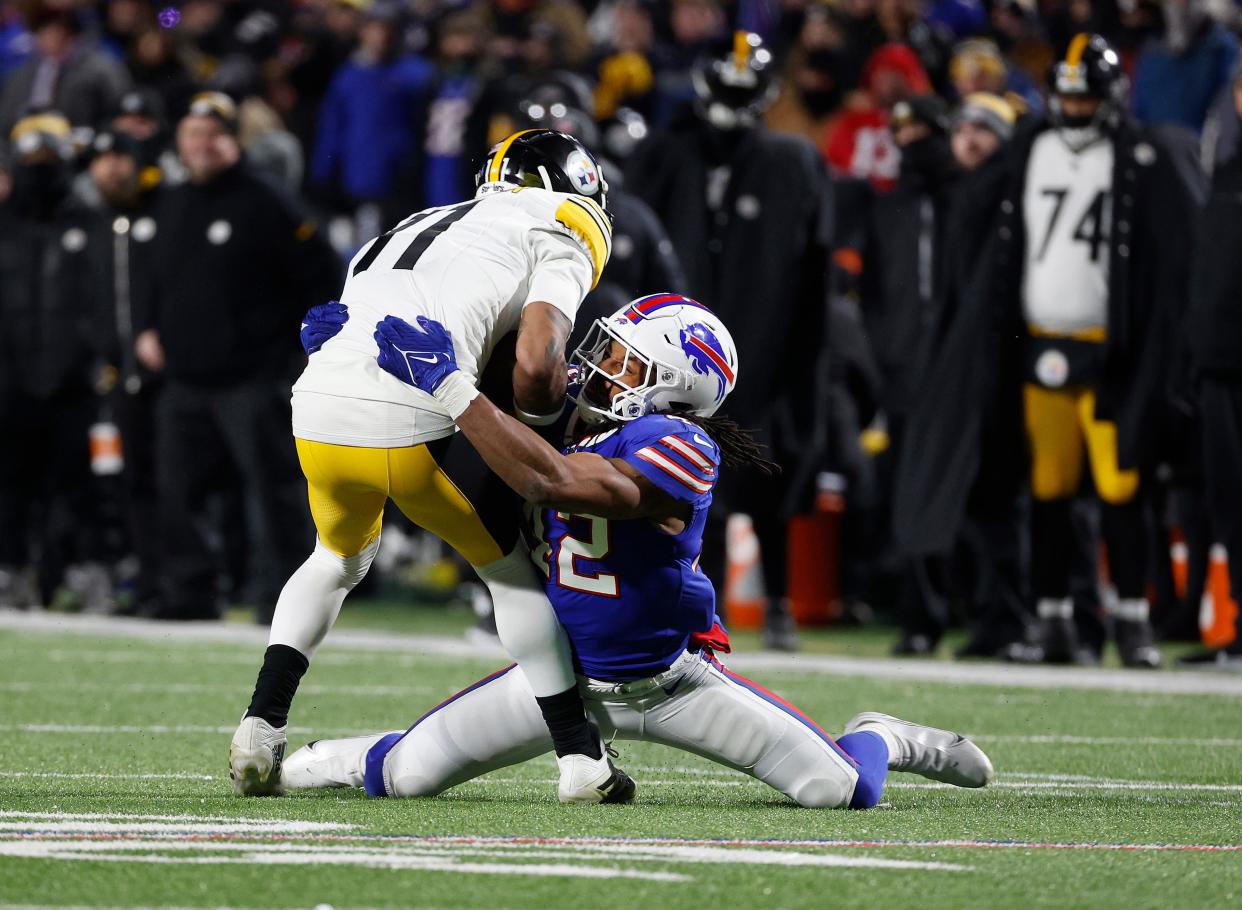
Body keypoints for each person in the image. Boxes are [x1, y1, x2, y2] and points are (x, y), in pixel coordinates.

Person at [276, 296, 994, 807]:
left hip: (669, 685)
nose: (599, 363)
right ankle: (326, 759)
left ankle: (882, 736)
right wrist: (360, 366)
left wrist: (452, 386)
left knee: (840, 789)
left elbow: (547, 477)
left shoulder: (679, 445)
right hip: (560, 681)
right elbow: (488, 429)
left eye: (622, 357)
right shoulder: (568, 419)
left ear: (671, 384)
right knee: (405, 778)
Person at [229, 128, 630, 805]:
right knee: (510, 573)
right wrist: (533, 433)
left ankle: (260, 726)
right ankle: (580, 758)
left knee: (335, 557)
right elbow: (536, 367)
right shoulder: (563, 223)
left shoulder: (414, 220)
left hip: (317, 406)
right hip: (413, 414)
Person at [993, 34, 1200, 667]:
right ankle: (1054, 618)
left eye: (1087, 100)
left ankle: (1132, 619)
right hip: (1041, 344)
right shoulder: (1031, 146)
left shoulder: (1140, 154)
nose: (1077, 111)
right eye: (1068, 98)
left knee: (1121, 485)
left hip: (1114, 351)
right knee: (1049, 486)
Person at [626, 32, 834, 650]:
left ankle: (775, 604)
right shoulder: (667, 154)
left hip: (765, 353)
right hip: (674, 361)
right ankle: (688, 595)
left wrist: (807, 365)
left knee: (768, 481)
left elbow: (815, 276)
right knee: (683, 483)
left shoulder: (794, 163)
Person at [133, 92, 341, 621]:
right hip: (184, 378)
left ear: (232, 140)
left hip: (252, 377)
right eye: (192, 136)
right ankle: (190, 593)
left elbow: (322, 276)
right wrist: (147, 329)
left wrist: (297, 348)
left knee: (271, 492)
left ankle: (287, 602)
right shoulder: (172, 202)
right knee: (178, 492)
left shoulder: (268, 201)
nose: (201, 146)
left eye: (212, 135)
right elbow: (154, 280)